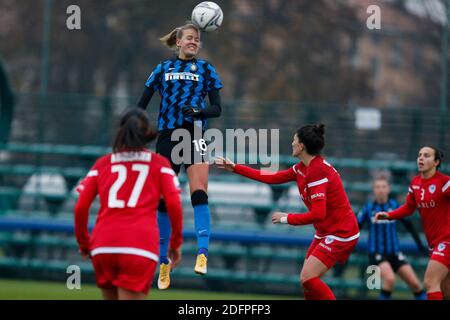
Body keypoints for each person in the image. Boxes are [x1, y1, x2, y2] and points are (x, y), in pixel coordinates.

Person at [216, 124, 360, 300]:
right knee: (306, 282)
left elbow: (318, 214)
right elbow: (272, 177)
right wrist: (236, 168)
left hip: (341, 232)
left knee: (308, 278)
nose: (292, 143)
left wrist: (287, 218)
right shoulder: (302, 168)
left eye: (294, 140)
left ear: (302, 146)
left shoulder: (317, 171)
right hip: (325, 231)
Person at [137, 22, 223, 289]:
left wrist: (199, 113)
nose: (194, 42)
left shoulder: (207, 69)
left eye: (197, 39)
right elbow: (142, 105)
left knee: (199, 193)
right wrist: (137, 129)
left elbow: (217, 109)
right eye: (189, 38)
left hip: (196, 133)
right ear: (178, 42)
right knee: (163, 198)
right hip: (168, 136)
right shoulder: (163, 69)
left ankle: (202, 254)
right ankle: (163, 263)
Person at [74, 108, 183, 300]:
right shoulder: (159, 164)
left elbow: (81, 206)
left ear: (121, 130)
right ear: (146, 131)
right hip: (139, 245)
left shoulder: (103, 163)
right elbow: (174, 204)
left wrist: (84, 243)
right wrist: (175, 243)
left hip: (103, 245)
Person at [375, 146, 450, 300]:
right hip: (434, 242)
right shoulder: (415, 183)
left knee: (430, 282)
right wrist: (389, 215)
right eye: (419, 155)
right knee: (445, 290)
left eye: (426, 155)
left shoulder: (444, 182)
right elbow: (409, 208)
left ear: (436, 162)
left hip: (447, 240)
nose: (421, 158)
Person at [358, 176, 427, 300]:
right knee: (389, 279)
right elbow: (356, 228)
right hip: (377, 253)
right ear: (374, 190)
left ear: (388, 189)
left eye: (383, 187)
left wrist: (420, 245)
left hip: (395, 253)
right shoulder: (368, 209)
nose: (381, 190)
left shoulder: (394, 205)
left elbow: (409, 225)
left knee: (416, 285)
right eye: (378, 187)